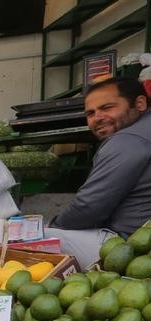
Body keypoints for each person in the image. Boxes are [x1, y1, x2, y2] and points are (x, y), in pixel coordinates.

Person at [49, 77, 151, 268]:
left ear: (140, 103)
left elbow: (89, 207)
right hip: (139, 243)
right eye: (90, 113)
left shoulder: (128, 140)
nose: (97, 117)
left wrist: (53, 226)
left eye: (107, 107)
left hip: (130, 249)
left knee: (32, 239)